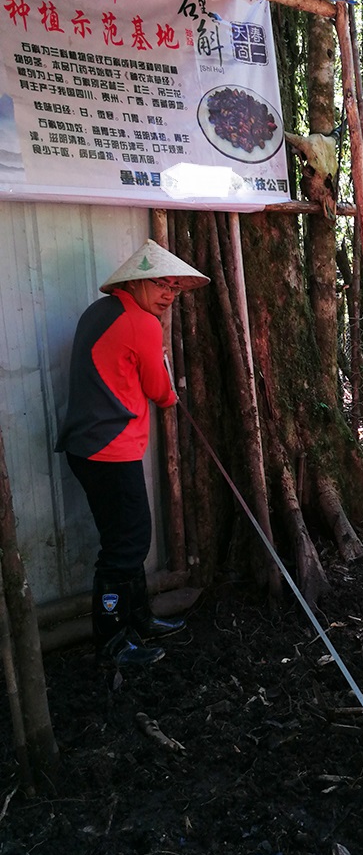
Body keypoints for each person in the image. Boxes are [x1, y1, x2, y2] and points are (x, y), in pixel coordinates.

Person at [56, 239, 209, 668]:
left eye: (175, 289)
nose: (168, 294)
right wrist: (165, 380)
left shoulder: (98, 312)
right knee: (126, 545)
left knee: (127, 538)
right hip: (109, 448)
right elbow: (161, 393)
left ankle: (139, 618)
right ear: (135, 282)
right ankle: (112, 639)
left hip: (86, 446)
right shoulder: (142, 324)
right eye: (161, 284)